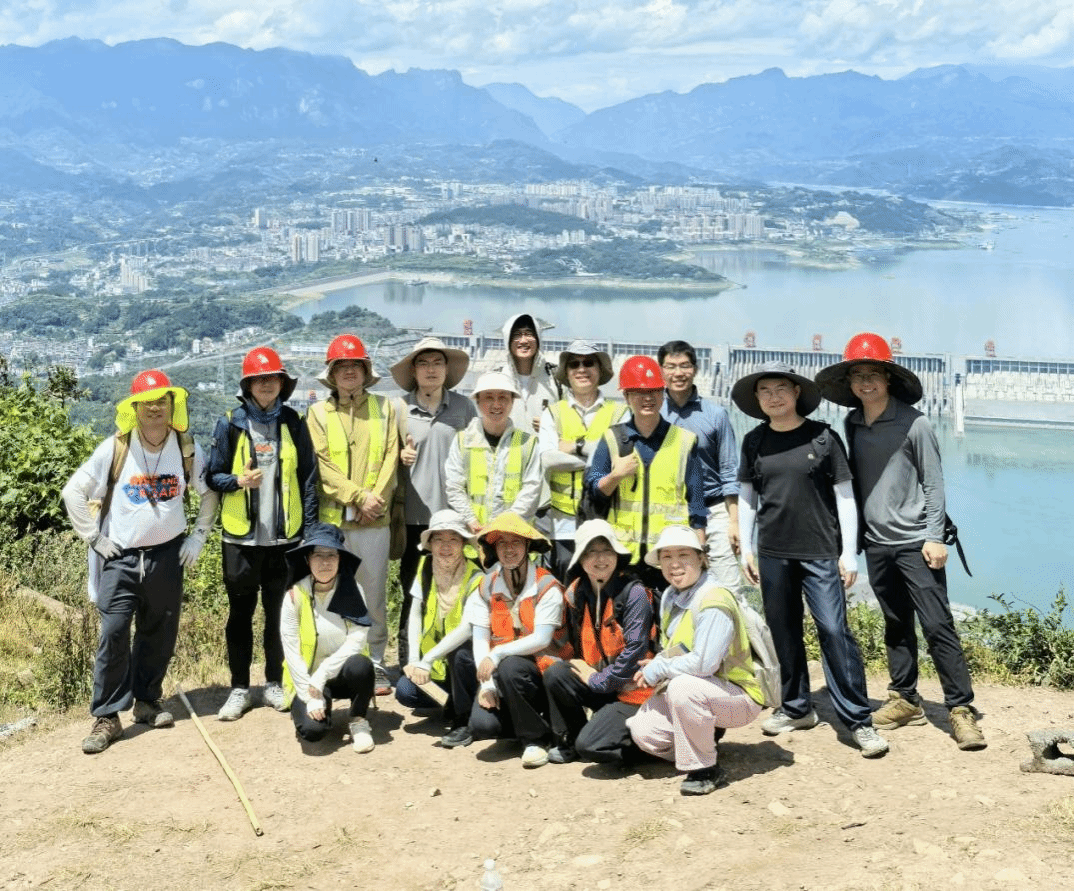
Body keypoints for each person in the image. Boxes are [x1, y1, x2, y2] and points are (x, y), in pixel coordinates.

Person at [816, 333, 986, 750]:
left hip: (916, 543)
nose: (865, 382)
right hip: (877, 543)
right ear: (850, 382)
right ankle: (904, 699)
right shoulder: (853, 423)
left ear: (888, 378)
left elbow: (934, 483)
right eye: (858, 375)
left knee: (937, 624)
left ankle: (960, 709)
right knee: (895, 623)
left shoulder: (916, 423)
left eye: (873, 374)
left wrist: (934, 537)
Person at [732, 361, 888, 758]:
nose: (773, 397)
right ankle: (797, 707)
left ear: (796, 392)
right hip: (773, 552)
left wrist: (848, 553)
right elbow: (748, 496)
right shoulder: (754, 441)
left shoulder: (823, 437)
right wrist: (746, 548)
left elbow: (845, 496)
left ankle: (859, 720)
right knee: (783, 631)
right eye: (765, 391)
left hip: (820, 551)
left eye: (781, 388)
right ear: (757, 399)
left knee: (834, 630)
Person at [62, 369, 218, 754]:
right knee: (114, 632)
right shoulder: (114, 449)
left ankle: (147, 701)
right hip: (121, 556)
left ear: (172, 405)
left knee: (159, 630)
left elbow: (208, 492)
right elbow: (73, 492)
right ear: (134, 409)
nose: (154, 408)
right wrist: (94, 538)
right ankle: (107, 716)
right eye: (146, 403)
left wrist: (199, 536)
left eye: (161, 401)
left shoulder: (186, 447)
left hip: (168, 554)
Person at [207, 346, 319, 721]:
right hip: (240, 540)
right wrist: (238, 482)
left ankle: (273, 682)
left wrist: (309, 532)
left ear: (282, 384)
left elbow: (308, 479)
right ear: (248, 385)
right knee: (240, 615)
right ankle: (239, 688)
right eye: (259, 379)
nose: (266, 384)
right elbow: (213, 476)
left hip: (285, 540)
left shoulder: (293, 422)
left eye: (272, 378)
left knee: (278, 614)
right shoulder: (230, 423)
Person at [626, 526, 764, 795]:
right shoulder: (670, 595)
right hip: (707, 691)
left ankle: (705, 770)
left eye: (683, 555)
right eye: (666, 557)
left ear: (701, 558)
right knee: (645, 732)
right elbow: (676, 646)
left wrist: (660, 667)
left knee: (683, 687)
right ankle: (702, 741)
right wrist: (660, 661)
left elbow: (704, 664)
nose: (674, 564)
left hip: (739, 696)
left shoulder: (713, 599)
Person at [306, 334, 399, 696]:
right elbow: (322, 466)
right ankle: (335, 663)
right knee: (332, 594)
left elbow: (390, 457)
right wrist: (358, 496)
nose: (348, 371)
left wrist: (372, 502)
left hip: (374, 520)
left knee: (373, 594)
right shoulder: (317, 414)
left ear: (365, 371)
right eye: (341, 366)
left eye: (355, 365)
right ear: (331, 374)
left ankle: (375, 662)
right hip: (333, 524)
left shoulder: (384, 408)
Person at [390, 336, 477, 667]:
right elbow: (383, 460)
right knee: (414, 590)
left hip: (454, 519)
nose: (431, 369)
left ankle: (452, 660)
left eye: (437, 363)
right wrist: (399, 457)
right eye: (423, 363)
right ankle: (408, 660)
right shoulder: (398, 409)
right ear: (413, 371)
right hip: (412, 519)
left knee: (456, 590)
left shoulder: (464, 408)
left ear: (446, 369)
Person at [584, 355, 707, 589]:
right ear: (626, 397)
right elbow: (594, 491)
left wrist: (701, 550)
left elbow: (697, 504)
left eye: (654, 391)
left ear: (663, 394)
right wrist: (616, 476)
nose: (648, 398)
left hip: (669, 557)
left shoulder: (684, 441)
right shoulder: (612, 438)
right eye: (639, 392)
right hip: (623, 556)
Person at [542, 520, 654, 765]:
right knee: (557, 673)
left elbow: (635, 652)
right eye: (591, 551)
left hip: (634, 691)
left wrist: (598, 680)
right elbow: (570, 644)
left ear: (617, 555)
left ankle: (656, 748)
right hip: (604, 685)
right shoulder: (576, 593)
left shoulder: (633, 593)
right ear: (581, 559)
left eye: (607, 550)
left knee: (591, 746)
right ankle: (569, 740)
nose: (600, 558)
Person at [464, 513, 570, 768]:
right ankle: (529, 722)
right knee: (482, 725)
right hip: (508, 676)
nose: (508, 549)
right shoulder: (486, 586)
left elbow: (542, 638)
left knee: (511, 665)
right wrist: (488, 685)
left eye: (515, 542)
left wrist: (497, 654)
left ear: (528, 546)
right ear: (494, 549)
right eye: (501, 543)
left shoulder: (547, 586)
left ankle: (534, 740)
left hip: (548, 675)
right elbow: (480, 639)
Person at [280, 523, 376, 752]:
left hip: (342, 674)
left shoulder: (354, 590)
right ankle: (322, 705)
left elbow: (357, 640)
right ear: (307, 559)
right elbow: (291, 652)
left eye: (331, 555)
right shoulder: (294, 597)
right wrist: (310, 696)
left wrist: (323, 674)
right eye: (318, 555)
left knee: (361, 665)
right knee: (312, 732)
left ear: (340, 559)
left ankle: (358, 720)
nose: (325, 562)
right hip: (308, 678)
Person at [538, 339, 626, 579]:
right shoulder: (553, 412)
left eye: (588, 363)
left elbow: (621, 457)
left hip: (606, 518)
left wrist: (574, 446)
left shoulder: (619, 412)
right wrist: (600, 456)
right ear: (566, 372)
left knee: (602, 586)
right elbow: (548, 460)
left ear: (599, 370)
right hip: (562, 522)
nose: (581, 369)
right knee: (564, 586)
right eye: (574, 364)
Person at [659, 340, 742, 591]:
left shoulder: (716, 414)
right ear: (661, 370)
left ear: (695, 369)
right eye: (671, 366)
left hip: (714, 509)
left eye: (685, 366)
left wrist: (734, 521)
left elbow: (729, 471)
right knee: (677, 585)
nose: (678, 373)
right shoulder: (653, 414)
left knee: (727, 587)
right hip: (671, 510)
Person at [396, 509, 482, 748]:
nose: (446, 546)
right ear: (430, 544)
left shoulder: (476, 576)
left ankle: (463, 717)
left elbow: (467, 628)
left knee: (459, 653)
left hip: (465, 665)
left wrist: (428, 659)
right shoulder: (425, 567)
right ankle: (451, 701)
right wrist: (414, 660)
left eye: (453, 539)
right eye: (439, 539)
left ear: (463, 543)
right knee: (405, 691)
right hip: (435, 667)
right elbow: (414, 614)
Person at [444, 371, 543, 534]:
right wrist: (471, 520)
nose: (496, 405)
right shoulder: (463, 441)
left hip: (513, 536)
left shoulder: (528, 443)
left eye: (503, 397)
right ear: (477, 401)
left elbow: (532, 489)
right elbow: (454, 487)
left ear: (512, 402)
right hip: (473, 534)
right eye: (489, 397)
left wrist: (506, 524)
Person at [497, 312, 560, 433]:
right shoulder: (498, 378)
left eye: (529, 334)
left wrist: (553, 427)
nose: (523, 340)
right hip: (511, 445)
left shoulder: (556, 377)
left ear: (538, 339)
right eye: (517, 335)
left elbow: (573, 422)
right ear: (508, 340)